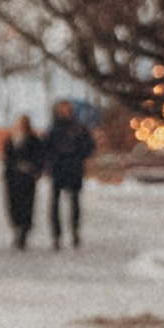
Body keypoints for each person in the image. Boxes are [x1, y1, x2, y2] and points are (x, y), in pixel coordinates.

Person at [45, 99, 95, 249]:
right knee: (55, 204)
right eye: (61, 109)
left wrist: (78, 157)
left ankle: (74, 231)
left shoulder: (79, 128)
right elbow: (47, 147)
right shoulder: (53, 128)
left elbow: (89, 146)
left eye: (66, 109)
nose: (64, 112)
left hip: (74, 169)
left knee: (74, 203)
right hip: (58, 169)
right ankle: (56, 235)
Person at [3, 113, 45, 251]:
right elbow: (7, 160)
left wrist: (34, 169)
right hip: (13, 178)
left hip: (27, 179)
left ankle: (23, 232)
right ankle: (16, 228)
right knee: (13, 205)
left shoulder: (33, 140)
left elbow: (39, 157)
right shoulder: (10, 140)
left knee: (26, 205)